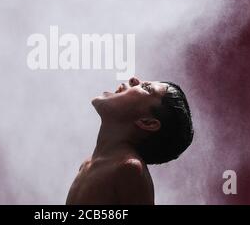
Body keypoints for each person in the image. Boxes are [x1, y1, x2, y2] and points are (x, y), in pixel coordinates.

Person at [66, 77, 193, 205]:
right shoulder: (87, 164)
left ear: (147, 122)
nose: (134, 79)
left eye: (146, 88)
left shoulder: (129, 169)